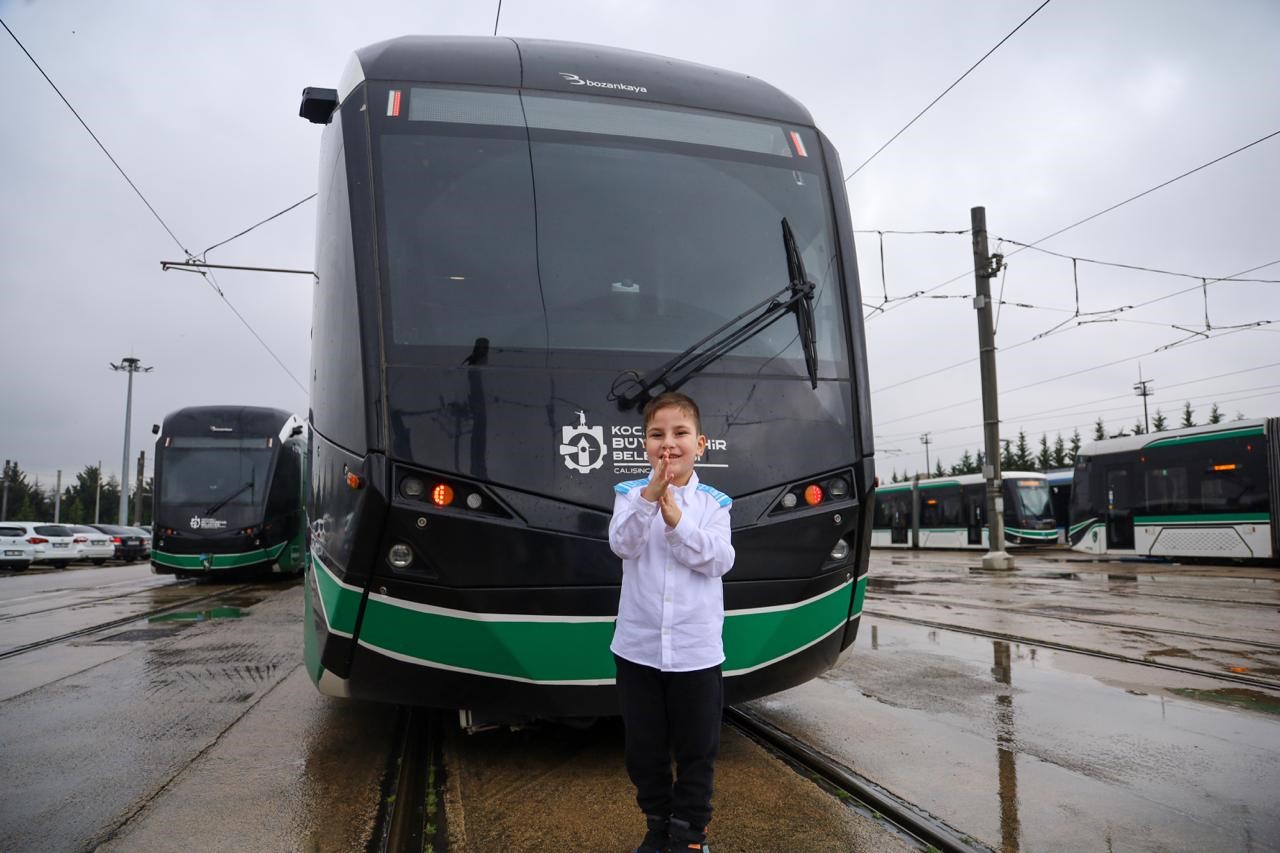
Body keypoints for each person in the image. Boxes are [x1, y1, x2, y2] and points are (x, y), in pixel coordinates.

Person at [608, 391, 735, 853]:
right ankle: (658, 822)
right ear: (644, 444)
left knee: (697, 750)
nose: (669, 443)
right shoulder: (628, 496)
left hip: (695, 652)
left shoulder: (714, 504)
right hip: (638, 648)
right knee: (644, 750)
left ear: (699, 444)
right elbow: (622, 545)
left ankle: (689, 833)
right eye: (657, 434)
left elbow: (720, 560)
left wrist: (678, 521)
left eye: (680, 433)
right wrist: (649, 501)